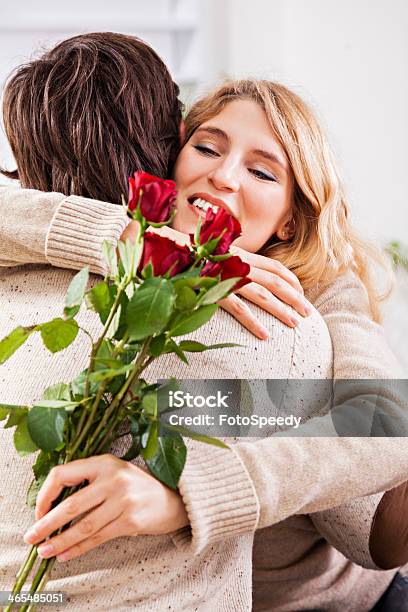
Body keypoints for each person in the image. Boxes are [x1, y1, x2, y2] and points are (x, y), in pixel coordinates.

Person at [0, 33, 407, 610]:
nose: (224, 177)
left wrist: (186, 494)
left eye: (263, 173)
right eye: (207, 149)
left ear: (290, 222)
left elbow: (382, 451)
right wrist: (127, 236)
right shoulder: (139, 263)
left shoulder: (301, 313)